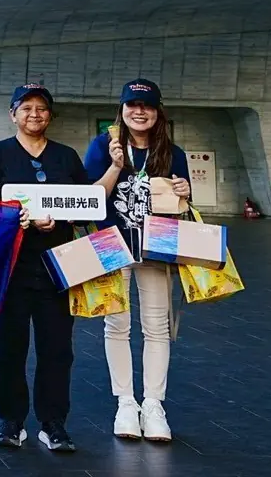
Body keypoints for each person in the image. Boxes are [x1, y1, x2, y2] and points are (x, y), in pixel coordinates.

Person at [0, 84, 87, 453]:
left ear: (50, 116)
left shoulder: (67, 156)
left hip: (58, 268)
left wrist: (57, 220)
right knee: (8, 347)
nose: (35, 114)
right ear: (13, 114)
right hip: (11, 267)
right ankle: (11, 421)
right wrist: (19, 218)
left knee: (57, 348)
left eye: (42, 108)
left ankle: (53, 423)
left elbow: (85, 204)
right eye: (26, 108)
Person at [84, 79, 190, 443]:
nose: (139, 111)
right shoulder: (103, 146)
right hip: (111, 244)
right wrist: (115, 166)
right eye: (132, 104)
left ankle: (154, 404)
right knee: (116, 325)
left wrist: (185, 192)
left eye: (146, 105)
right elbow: (90, 199)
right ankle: (125, 402)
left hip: (157, 248)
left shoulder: (173, 154)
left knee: (156, 327)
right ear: (122, 109)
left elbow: (182, 207)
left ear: (158, 111)